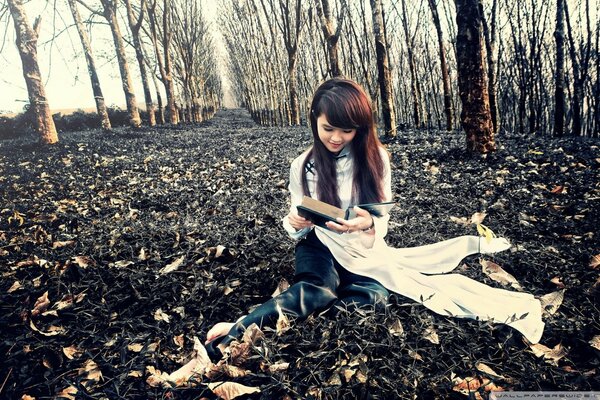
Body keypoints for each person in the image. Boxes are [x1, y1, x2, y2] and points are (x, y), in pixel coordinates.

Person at [205, 77, 544, 360]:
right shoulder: (302, 165)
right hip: (318, 242)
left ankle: (322, 306)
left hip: (362, 247)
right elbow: (297, 210)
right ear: (314, 120)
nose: (336, 138)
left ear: (360, 129)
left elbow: (380, 218)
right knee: (317, 289)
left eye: (346, 131)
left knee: (373, 298)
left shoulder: (375, 158)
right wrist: (294, 222)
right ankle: (238, 330)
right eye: (328, 128)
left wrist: (365, 223)